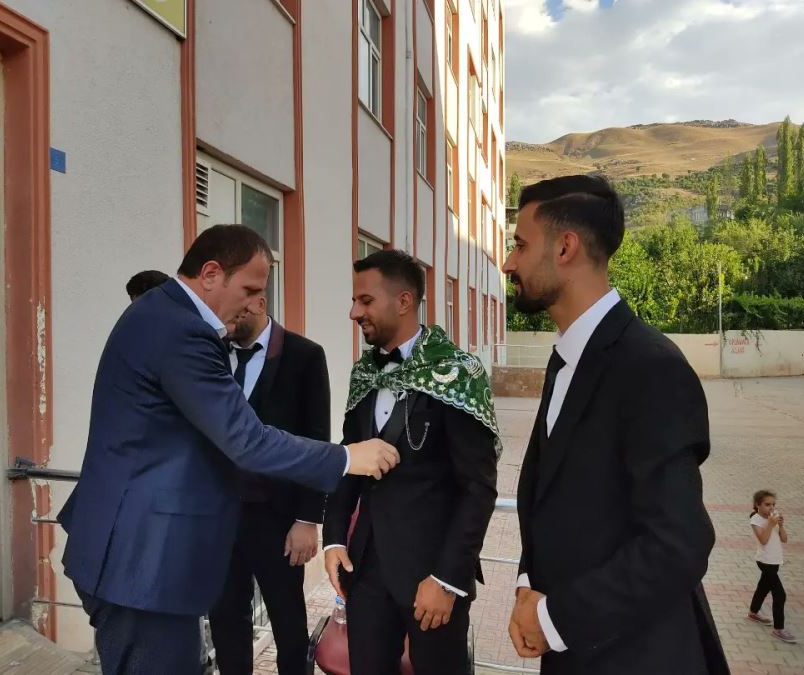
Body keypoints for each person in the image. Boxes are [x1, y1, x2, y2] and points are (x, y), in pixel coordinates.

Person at [57, 225, 400, 675]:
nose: (255, 302)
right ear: (211, 274)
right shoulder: (183, 331)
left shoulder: (159, 313)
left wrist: (306, 515)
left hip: (138, 551)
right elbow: (246, 440)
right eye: (250, 289)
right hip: (142, 562)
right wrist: (349, 457)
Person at [503, 176, 729, 674]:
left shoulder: (650, 367)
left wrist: (555, 618)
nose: (508, 263)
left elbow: (679, 545)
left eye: (520, 245)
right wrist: (527, 586)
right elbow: (553, 498)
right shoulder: (569, 357)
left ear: (565, 247)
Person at [323, 250, 500, 675]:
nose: (354, 312)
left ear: (403, 301)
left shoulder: (457, 374)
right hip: (366, 574)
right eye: (354, 300)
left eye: (365, 301)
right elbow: (350, 457)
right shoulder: (365, 374)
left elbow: (478, 489)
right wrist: (334, 539)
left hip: (432, 577)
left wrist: (447, 579)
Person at [209, 295, 332, 674]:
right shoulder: (212, 352)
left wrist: (308, 519)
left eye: (233, 310)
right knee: (226, 619)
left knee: (288, 623)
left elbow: (316, 440)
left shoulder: (305, 355)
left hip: (278, 519)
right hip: (218, 516)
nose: (225, 318)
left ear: (259, 303)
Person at [748, 489, 796, 643]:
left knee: (763, 587)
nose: (771, 507)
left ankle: (753, 612)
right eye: (767, 504)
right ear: (758, 505)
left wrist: (780, 526)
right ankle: (778, 629)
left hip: (775, 561)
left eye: (773, 504)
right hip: (765, 561)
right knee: (780, 595)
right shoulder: (756, 520)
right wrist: (770, 524)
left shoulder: (772, 519)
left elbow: (784, 539)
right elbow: (763, 540)